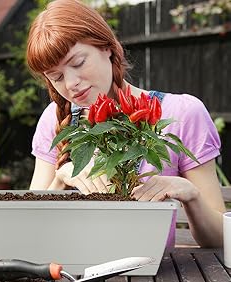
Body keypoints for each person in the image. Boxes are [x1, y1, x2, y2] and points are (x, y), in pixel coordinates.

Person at [26, 0, 226, 247]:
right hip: (73, 276)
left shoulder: (183, 114)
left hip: (155, 277)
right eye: (56, 77)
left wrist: (190, 194)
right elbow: (31, 228)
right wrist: (61, 179)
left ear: (108, 48)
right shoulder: (55, 118)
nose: (71, 83)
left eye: (78, 63)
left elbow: (220, 239)